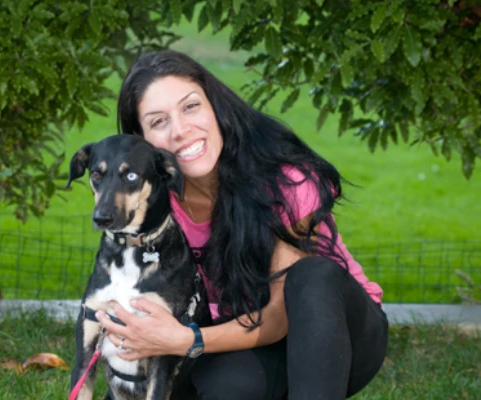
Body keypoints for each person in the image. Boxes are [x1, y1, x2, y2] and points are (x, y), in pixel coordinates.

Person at [95, 50, 388, 400]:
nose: (181, 131)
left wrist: (185, 339)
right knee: (226, 386)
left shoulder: (283, 181)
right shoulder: (152, 204)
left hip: (336, 336)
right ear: (139, 141)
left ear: (214, 106)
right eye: (159, 122)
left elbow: (278, 318)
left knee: (312, 275)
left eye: (191, 107)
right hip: (235, 340)